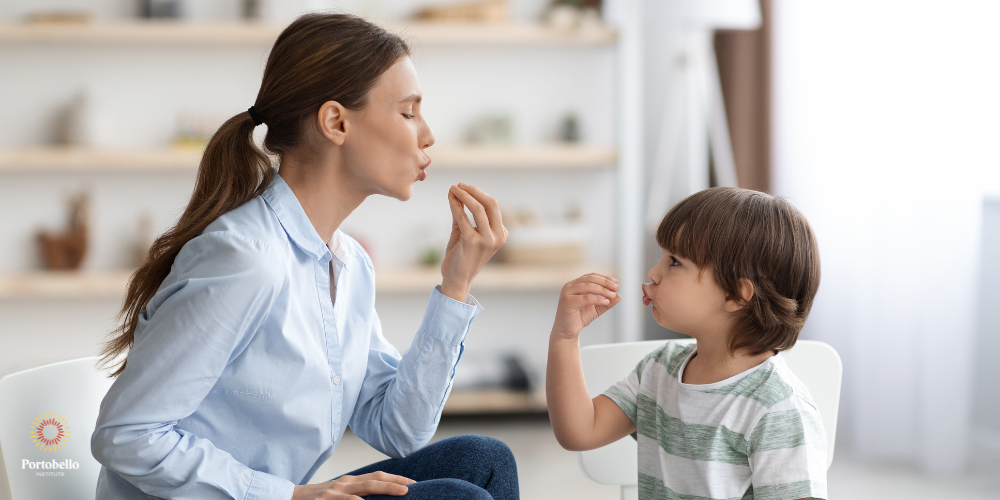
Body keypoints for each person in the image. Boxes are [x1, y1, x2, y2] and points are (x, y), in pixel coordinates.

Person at [91, 13, 518, 500]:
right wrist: (290, 495)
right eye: (408, 112)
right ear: (336, 122)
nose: (427, 135)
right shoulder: (244, 258)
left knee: (486, 461)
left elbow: (398, 429)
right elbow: (126, 435)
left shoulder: (350, 265)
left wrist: (456, 286)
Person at [545, 187, 826, 500]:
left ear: (736, 294)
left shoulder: (778, 407)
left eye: (675, 262)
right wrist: (565, 337)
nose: (654, 272)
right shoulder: (659, 369)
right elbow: (580, 430)